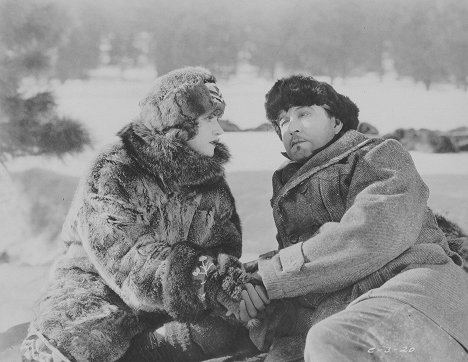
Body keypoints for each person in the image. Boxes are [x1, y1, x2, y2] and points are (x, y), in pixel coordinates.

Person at [20, 67, 268, 362]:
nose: (220, 130)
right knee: (82, 339)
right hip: (99, 292)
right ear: (180, 123)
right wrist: (207, 280)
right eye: (209, 119)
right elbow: (129, 260)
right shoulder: (115, 167)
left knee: (245, 324)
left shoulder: (209, 178)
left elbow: (224, 246)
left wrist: (229, 282)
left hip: (173, 302)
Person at [242, 74, 468, 361]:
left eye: (304, 113)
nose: (292, 127)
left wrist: (272, 275)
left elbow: (372, 234)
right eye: (283, 121)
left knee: (336, 341)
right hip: (341, 310)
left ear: (336, 122)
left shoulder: (379, 155)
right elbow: (302, 271)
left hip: (413, 291)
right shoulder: (288, 194)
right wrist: (250, 288)